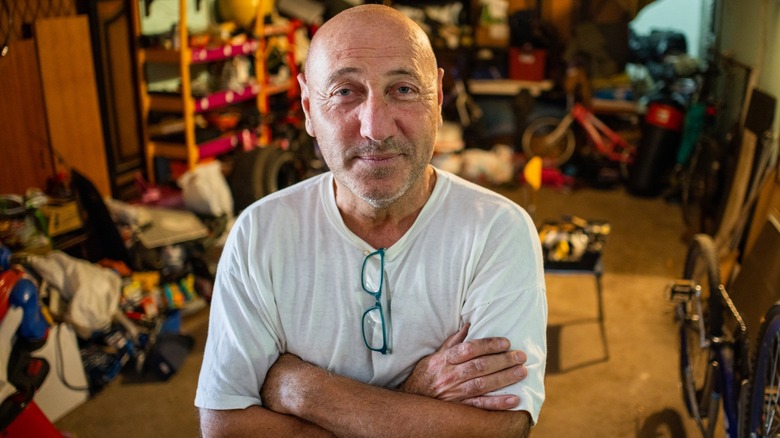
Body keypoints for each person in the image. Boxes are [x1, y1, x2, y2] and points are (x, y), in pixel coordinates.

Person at [195, 4, 547, 437]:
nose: (376, 129)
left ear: (438, 99)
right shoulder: (260, 234)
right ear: (308, 107)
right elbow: (226, 426)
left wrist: (302, 391)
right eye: (345, 91)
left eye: (403, 89)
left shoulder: (496, 230)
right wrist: (415, 394)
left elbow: (502, 428)